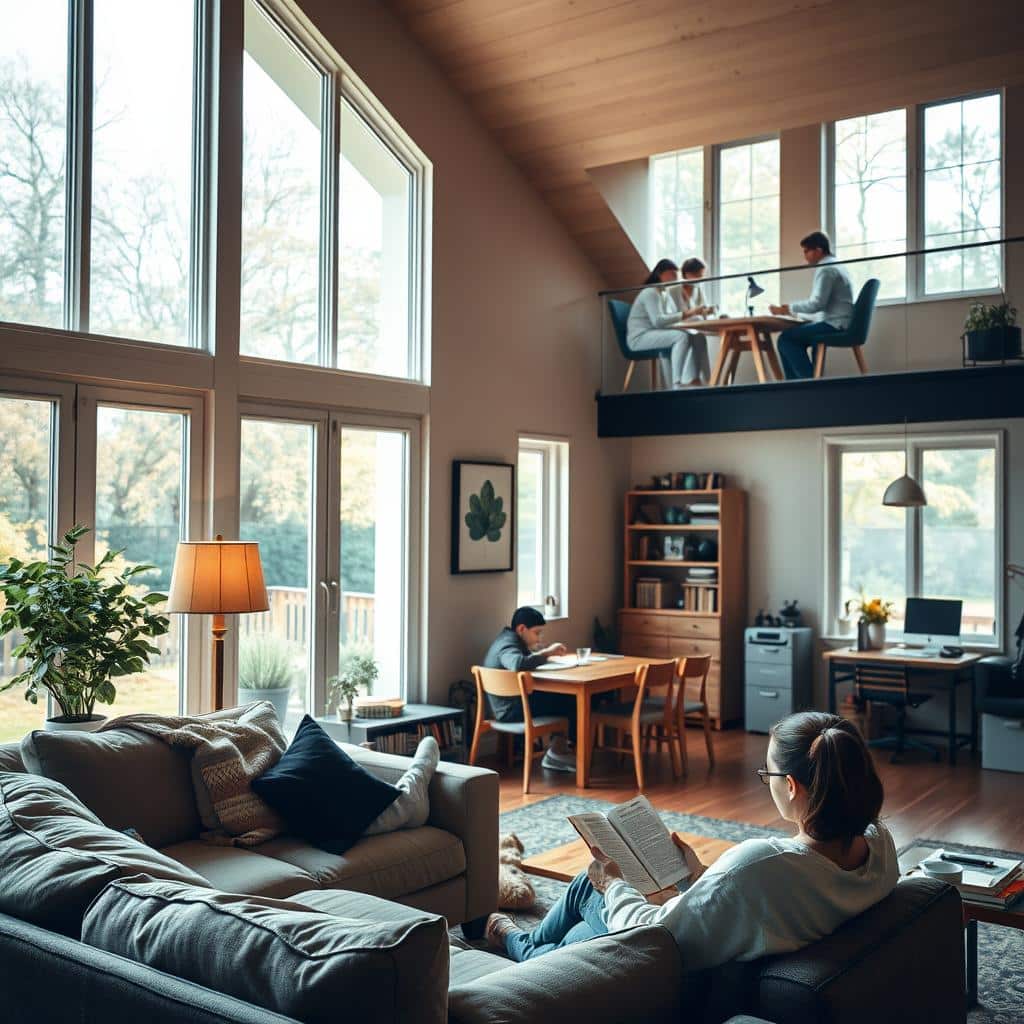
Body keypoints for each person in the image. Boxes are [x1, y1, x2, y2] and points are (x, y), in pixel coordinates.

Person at [485, 710, 898, 966]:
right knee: (578, 940)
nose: (765, 783)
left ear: (791, 786)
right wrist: (698, 874)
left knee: (586, 888)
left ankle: (516, 941)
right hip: (740, 945)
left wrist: (612, 883)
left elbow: (654, 932)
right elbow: (766, 904)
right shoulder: (879, 844)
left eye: (767, 774)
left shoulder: (761, 863)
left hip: (668, 968)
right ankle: (530, 947)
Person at [481, 607, 577, 773]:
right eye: (537, 633)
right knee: (570, 698)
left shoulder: (508, 639)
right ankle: (558, 752)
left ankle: (558, 750)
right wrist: (546, 653)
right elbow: (517, 663)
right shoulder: (507, 644)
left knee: (562, 698)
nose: (539, 637)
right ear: (521, 629)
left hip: (507, 705)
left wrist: (538, 652)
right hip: (509, 711)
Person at [769, 231, 854, 380]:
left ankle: (807, 384)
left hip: (834, 324)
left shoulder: (826, 270)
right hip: (839, 321)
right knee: (796, 338)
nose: (805, 256)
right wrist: (797, 315)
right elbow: (824, 305)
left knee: (785, 339)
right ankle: (806, 382)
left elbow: (817, 304)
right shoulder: (836, 265)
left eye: (807, 251)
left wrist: (787, 309)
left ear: (818, 250)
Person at [626, 259, 705, 390]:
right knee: (681, 337)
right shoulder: (650, 292)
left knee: (696, 336)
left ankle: (693, 378)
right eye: (672, 274)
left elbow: (672, 316)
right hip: (639, 337)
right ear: (660, 274)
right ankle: (677, 382)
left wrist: (690, 318)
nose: (675, 277)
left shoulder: (664, 293)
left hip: (652, 333)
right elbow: (658, 321)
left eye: (676, 274)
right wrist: (688, 313)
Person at [673, 257, 714, 385]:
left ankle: (700, 378)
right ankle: (687, 378)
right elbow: (671, 315)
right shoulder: (674, 290)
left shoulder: (698, 289)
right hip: (676, 326)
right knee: (696, 336)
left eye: (701, 276)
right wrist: (696, 312)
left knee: (700, 337)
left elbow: (703, 309)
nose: (700, 279)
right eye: (697, 275)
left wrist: (708, 311)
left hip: (693, 327)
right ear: (687, 274)